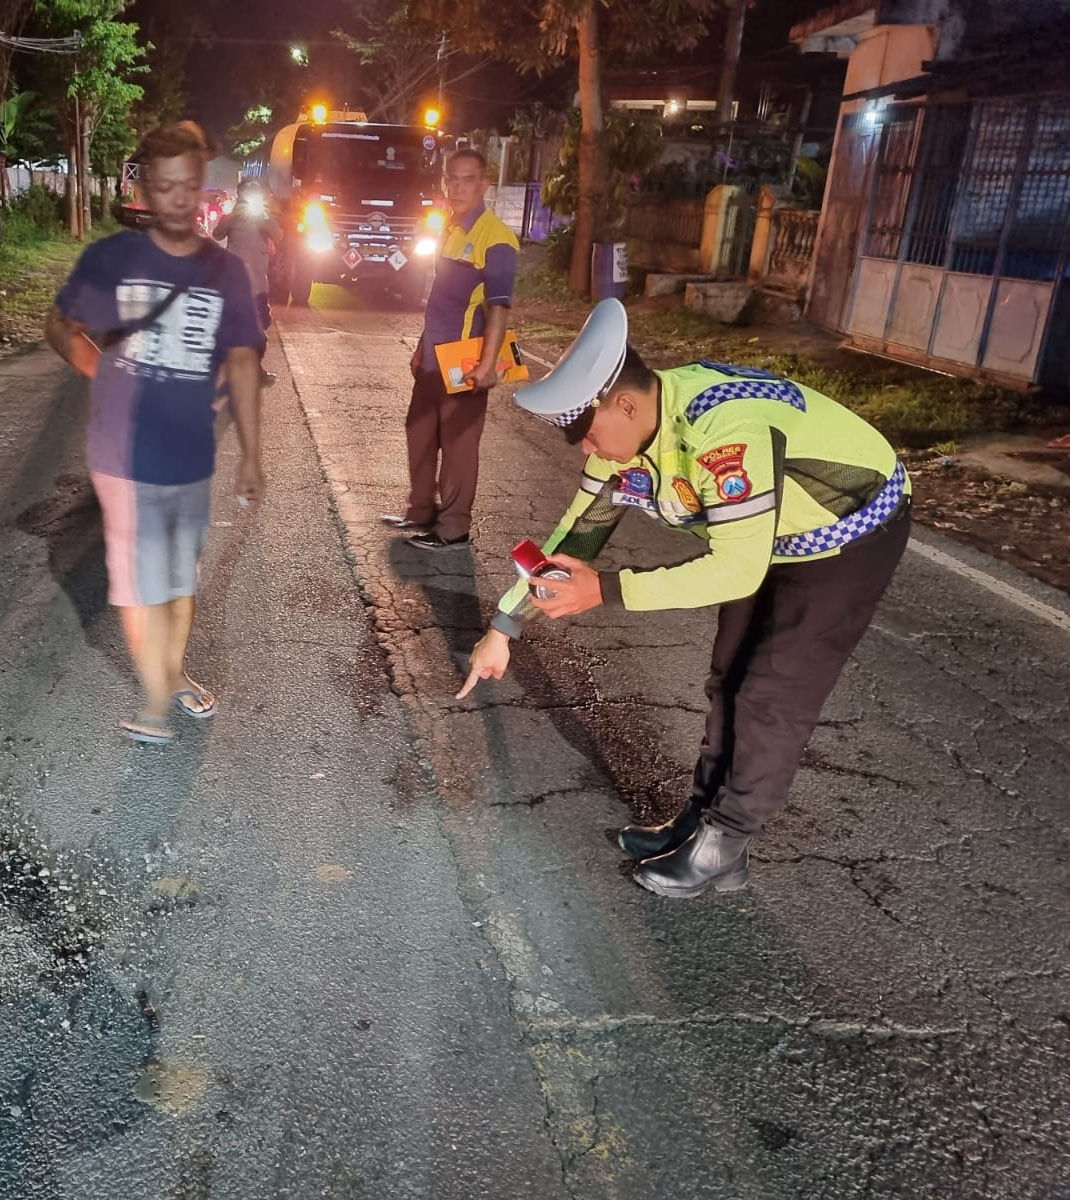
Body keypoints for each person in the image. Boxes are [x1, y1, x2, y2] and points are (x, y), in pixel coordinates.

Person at [456, 298, 913, 899]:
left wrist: (611, 591)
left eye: (587, 434)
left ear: (624, 403)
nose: (588, 451)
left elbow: (736, 570)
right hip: (767, 537)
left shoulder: (721, 431)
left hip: (848, 534)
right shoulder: (630, 438)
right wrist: (504, 627)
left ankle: (726, 846)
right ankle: (699, 818)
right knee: (727, 676)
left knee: (771, 692)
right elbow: (576, 536)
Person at [45, 121, 266, 746]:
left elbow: (245, 358)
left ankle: (173, 677)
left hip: (189, 455)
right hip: (123, 454)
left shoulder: (225, 271)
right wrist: (105, 370)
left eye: (188, 185)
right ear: (144, 188)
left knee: (178, 578)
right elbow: (60, 327)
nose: (176, 199)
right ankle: (155, 700)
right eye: (163, 185)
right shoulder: (112, 260)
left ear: (201, 189)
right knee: (144, 583)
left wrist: (252, 450)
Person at [381, 147, 518, 551]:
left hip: (465, 360)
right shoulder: (450, 228)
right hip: (433, 357)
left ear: (484, 184)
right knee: (419, 432)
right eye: (451, 178)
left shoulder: (497, 239)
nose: (457, 187)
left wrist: (489, 364)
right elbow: (439, 297)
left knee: (458, 447)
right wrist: (421, 346)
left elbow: (499, 306)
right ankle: (420, 511)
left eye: (467, 179)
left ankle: (453, 530)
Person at [212, 178, 283, 386]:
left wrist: (265, 218)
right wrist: (230, 217)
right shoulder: (233, 218)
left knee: (262, 322)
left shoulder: (262, 217)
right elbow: (217, 234)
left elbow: (279, 235)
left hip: (258, 284)